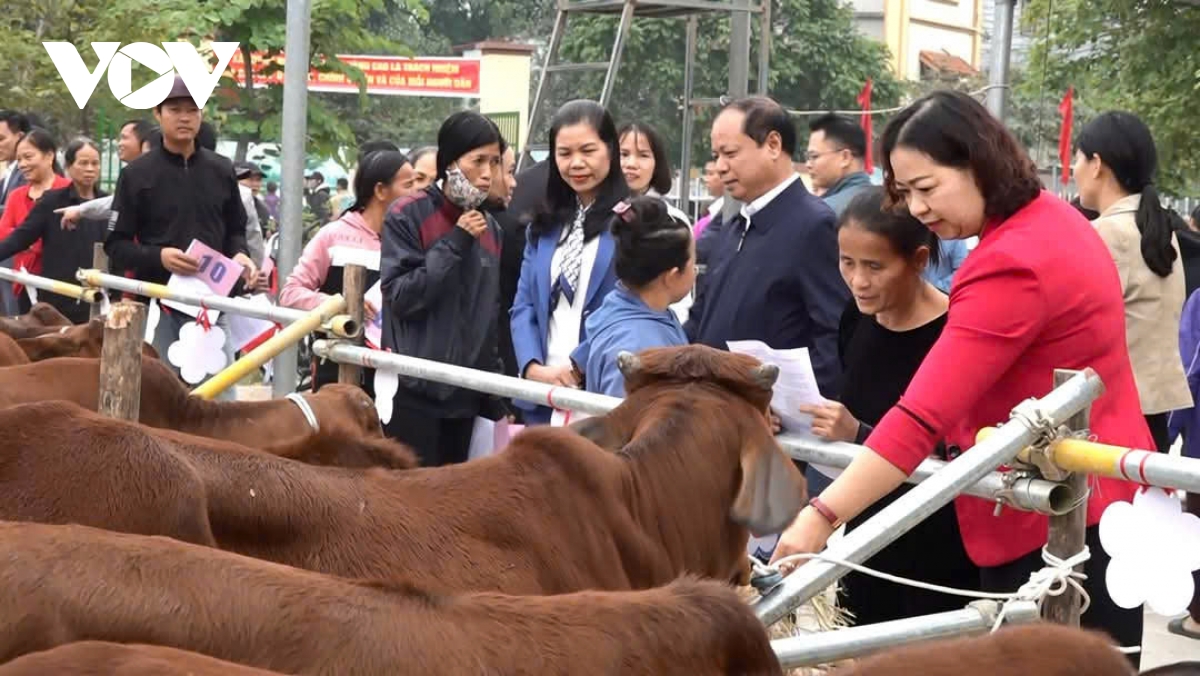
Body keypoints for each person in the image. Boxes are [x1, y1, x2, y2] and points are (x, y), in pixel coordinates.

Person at [770, 90, 1148, 664]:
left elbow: (921, 414)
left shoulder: (1010, 262)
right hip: (1096, 502)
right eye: (905, 192)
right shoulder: (1053, 219)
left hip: (1061, 523)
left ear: (979, 163)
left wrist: (821, 516)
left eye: (926, 188)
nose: (917, 209)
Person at [799, 187, 979, 624]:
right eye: (847, 263)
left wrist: (860, 433)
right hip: (866, 531)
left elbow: (959, 445)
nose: (858, 280)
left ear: (918, 261)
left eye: (875, 266)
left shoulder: (956, 335)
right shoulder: (855, 317)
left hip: (937, 541)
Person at [685, 96, 848, 399]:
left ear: (773, 145)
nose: (720, 167)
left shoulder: (814, 225)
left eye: (730, 153)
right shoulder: (736, 225)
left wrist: (789, 404)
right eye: (716, 155)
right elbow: (701, 317)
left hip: (768, 427)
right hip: (711, 411)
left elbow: (835, 336)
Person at [105, 76, 257, 395]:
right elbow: (115, 245)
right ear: (158, 115)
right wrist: (159, 256)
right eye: (175, 109)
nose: (185, 117)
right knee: (164, 402)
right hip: (160, 305)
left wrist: (240, 254)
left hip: (212, 306)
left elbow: (234, 229)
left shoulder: (221, 169)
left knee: (219, 401)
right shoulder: (136, 175)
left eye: (193, 109)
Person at [379, 112, 506, 466]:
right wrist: (456, 241)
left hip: (467, 398)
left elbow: (488, 314)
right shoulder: (407, 214)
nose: (487, 174)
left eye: (494, 162)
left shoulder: (493, 231)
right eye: (477, 161)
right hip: (415, 393)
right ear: (450, 162)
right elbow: (403, 297)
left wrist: (494, 393)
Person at [1073, 111, 1193, 453]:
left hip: (1114, 411)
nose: (1073, 169)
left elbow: (1077, 329)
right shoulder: (1156, 229)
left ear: (1097, 164)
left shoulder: (1106, 233)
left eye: (1078, 158)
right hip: (1154, 408)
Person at [510, 100, 628, 424]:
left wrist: (577, 366)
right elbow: (524, 306)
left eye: (588, 150)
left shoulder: (634, 223)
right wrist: (532, 367)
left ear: (611, 150)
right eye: (564, 153)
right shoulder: (543, 226)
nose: (576, 163)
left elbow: (631, 310)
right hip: (542, 396)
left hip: (601, 394)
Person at [282, 150, 414, 393]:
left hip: (395, 378)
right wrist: (339, 305)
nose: (418, 193)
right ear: (381, 191)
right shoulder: (333, 236)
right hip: (336, 374)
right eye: (409, 184)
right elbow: (290, 294)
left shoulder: (415, 242)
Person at [570, 196, 693, 397]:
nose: (695, 272)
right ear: (672, 276)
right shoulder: (637, 348)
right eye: (692, 264)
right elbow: (628, 423)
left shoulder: (626, 309)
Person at [0, 137, 106, 323]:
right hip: (58, 301)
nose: (90, 169)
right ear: (69, 166)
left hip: (101, 299)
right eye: (83, 163)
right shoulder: (52, 202)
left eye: (94, 163)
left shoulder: (107, 204)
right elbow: (20, 237)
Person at [618, 122, 692, 322]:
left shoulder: (672, 219)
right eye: (623, 154)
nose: (631, 163)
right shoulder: (595, 216)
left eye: (643, 155)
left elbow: (681, 301)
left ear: (656, 163)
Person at [0, 128, 70, 312]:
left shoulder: (68, 191)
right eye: (19, 159)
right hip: (25, 282)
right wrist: (34, 240)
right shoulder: (16, 196)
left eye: (28, 157)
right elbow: (3, 231)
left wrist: (28, 240)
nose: (22, 164)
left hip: (62, 285)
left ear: (49, 156)